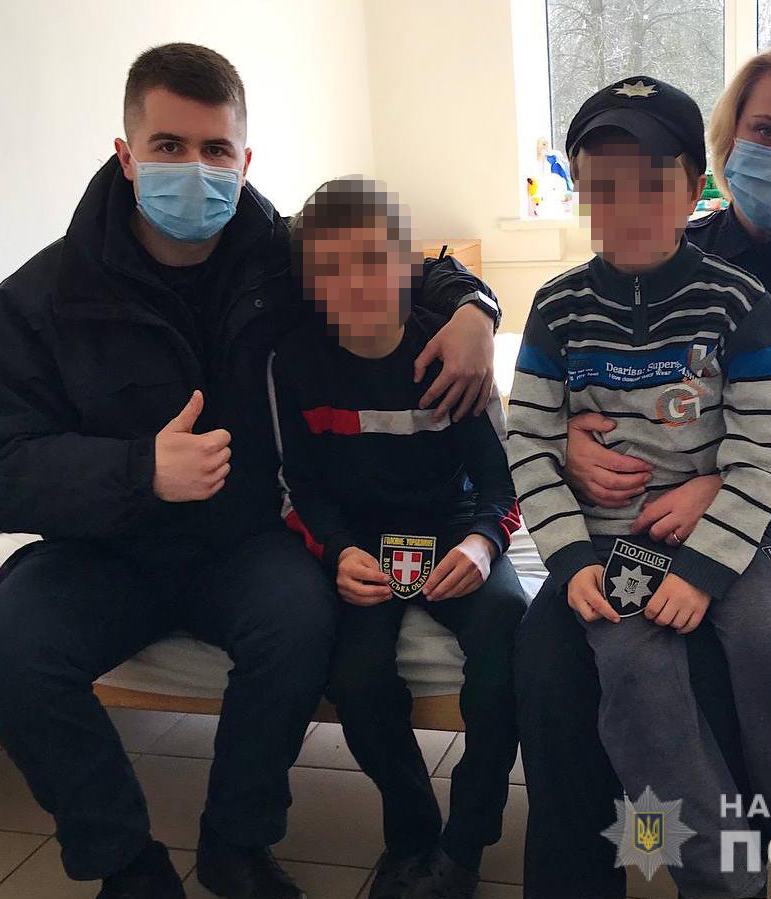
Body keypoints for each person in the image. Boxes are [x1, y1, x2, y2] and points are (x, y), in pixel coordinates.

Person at [0, 44, 501, 899]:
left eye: (215, 150)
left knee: (299, 622)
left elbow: (395, 267)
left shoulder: (280, 257)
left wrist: (474, 308)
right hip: (101, 548)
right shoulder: (41, 297)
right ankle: (125, 862)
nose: (194, 169)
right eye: (169, 146)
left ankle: (236, 843)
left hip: (242, 540)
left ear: (245, 159)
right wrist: (136, 470)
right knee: (11, 652)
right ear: (126, 155)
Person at [515, 42, 771, 899]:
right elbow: (548, 404)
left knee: (726, 654)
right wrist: (568, 446)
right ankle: (584, 875)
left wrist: (728, 491)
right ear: (727, 138)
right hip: (642, 522)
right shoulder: (667, 248)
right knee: (553, 653)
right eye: (767, 130)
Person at [270, 177, 526, 899]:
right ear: (308, 284)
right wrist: (337, 550)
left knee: (508, 622)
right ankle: (411, 829)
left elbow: (504, 482)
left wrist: (482, 544)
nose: (356, 284)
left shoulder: (450, 352)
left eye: (373, 260)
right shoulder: (295, 363)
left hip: (452, 524)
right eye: (331, 269)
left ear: (408, 265)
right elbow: (299, 486)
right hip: (361, 540)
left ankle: (467, 840)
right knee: (354, 678)